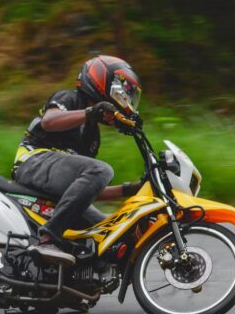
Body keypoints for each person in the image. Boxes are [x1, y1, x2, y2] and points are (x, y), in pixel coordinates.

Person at [12, 55, 144, 265]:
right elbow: (49, 122)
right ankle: (48, 239)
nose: (126, 99)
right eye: (125, 92)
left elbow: (85, 188)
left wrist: (130, 189)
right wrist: (90, 112)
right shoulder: (70, 98)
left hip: (55, 185)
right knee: (102, 170)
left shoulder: (93, 136)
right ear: (104, 82)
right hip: (33, 162)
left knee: (110, 232)